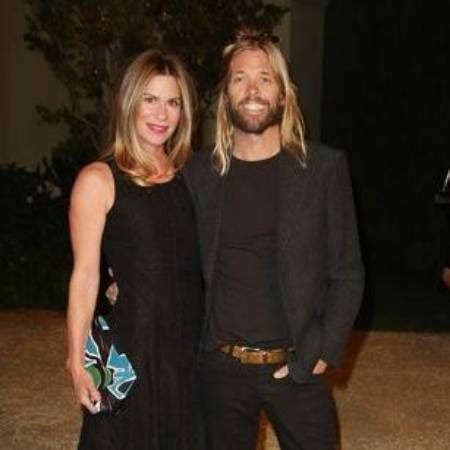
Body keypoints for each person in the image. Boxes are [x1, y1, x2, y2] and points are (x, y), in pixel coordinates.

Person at [184, 28, 365, 450]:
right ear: (225, 95)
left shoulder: (322, 170)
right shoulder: (198, 174)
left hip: (295, 365)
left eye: (265, 78)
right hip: (219, 370)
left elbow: (348, 273)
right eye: (240, 78)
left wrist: (323, 348)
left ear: (282, 95)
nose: (252, 90)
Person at [66, 49, 203, 450]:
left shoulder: (193, 177)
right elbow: (85, 276)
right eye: (150, 99)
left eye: (173, 102)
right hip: (132, 349)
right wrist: (76, 360)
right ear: (129, 102)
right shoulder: (98, 179)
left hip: (190, 349)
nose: (162, 114)